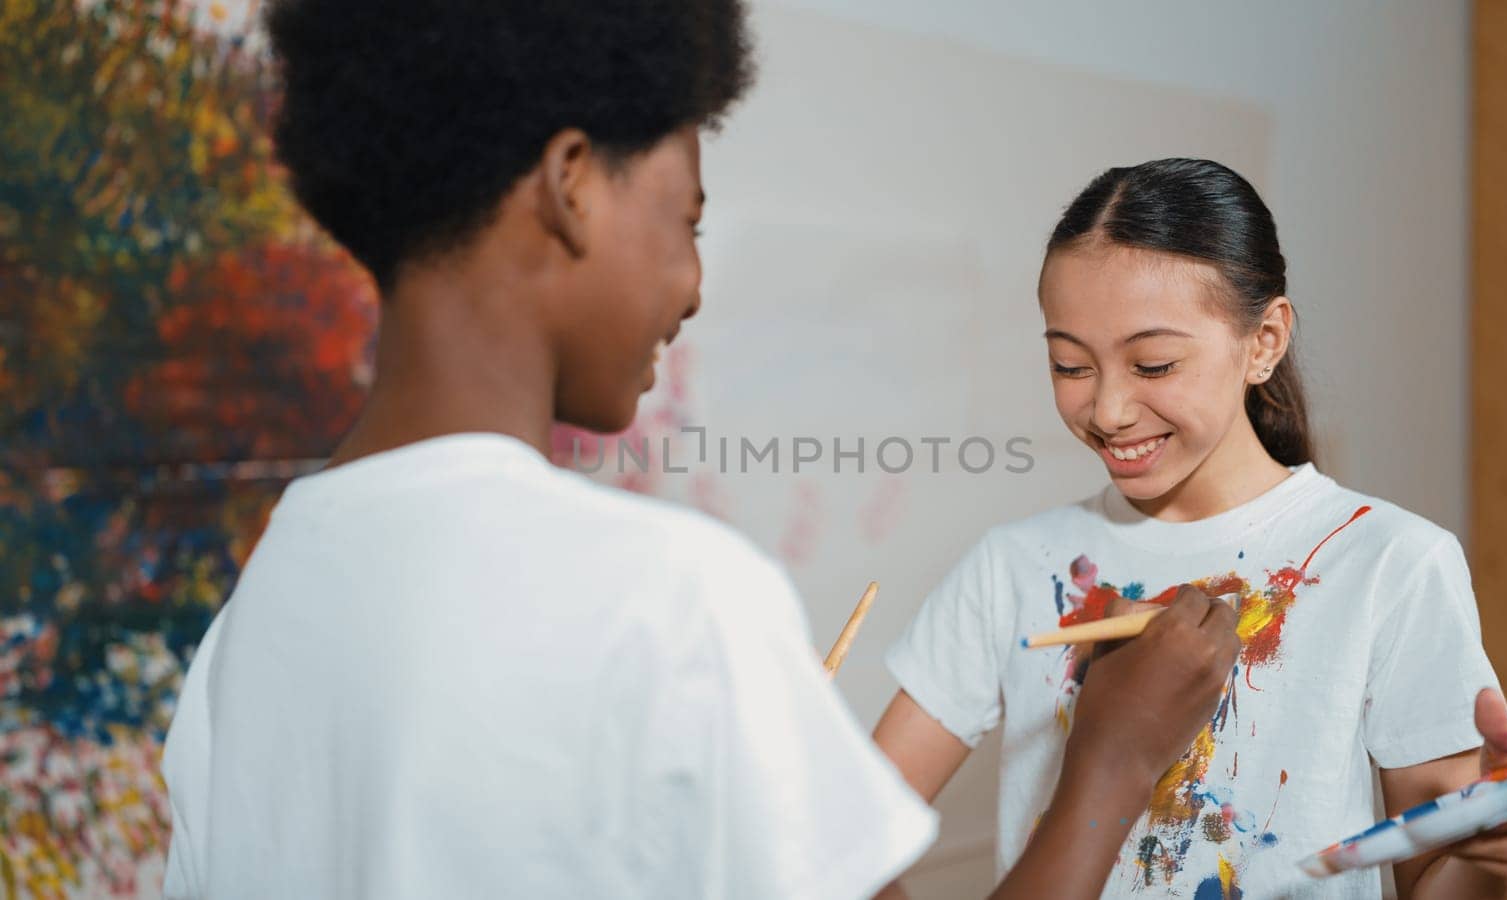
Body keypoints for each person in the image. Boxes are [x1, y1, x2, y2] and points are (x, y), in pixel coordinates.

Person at [159, 5, 1244, 898]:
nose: (691, 286)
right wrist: (1111, 758)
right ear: (570, 184)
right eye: (686, 220)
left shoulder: (252, 623)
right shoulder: (665, 598)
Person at [873, 158, 1507, 898]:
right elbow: (838, 839)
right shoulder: (1012, 567)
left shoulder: (1391, 563)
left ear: (1265, 340)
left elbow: (1436, 878)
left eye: (1153, 365)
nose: (1108, 410)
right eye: (1070, 364)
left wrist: (1495, 851)